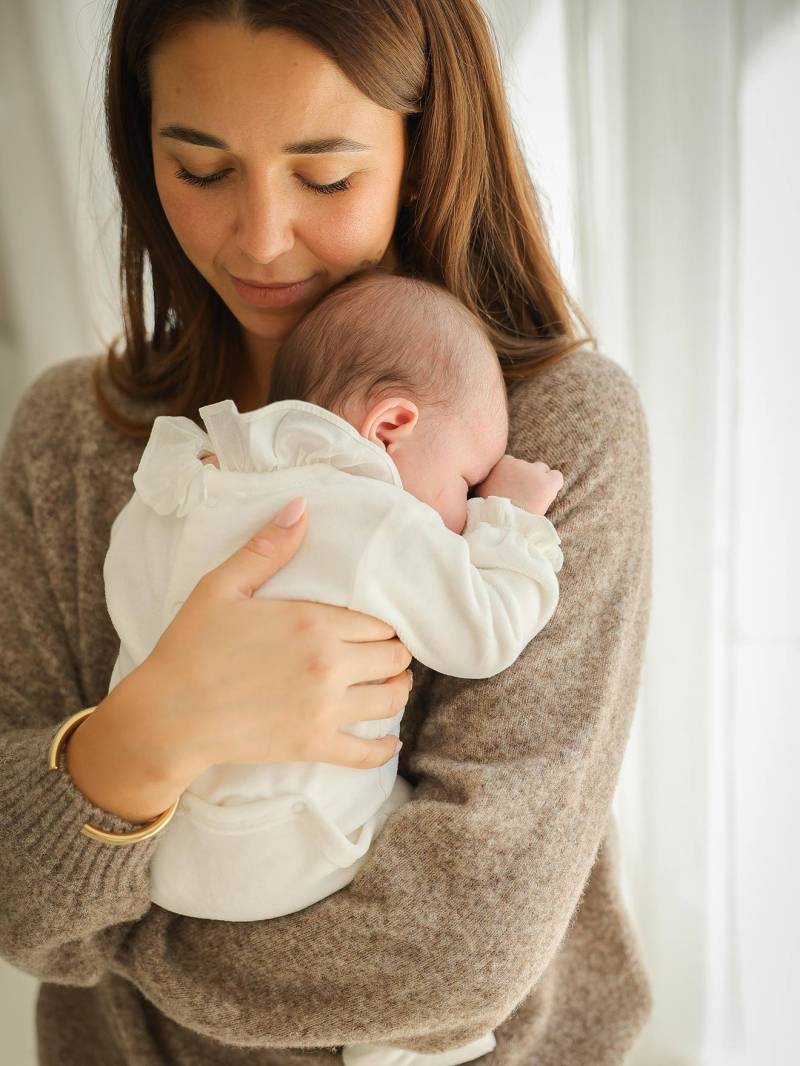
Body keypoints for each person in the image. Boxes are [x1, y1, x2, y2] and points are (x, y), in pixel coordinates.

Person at [0, 3, 653, 1065]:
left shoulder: (546, 434)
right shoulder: (72, 433)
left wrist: (126, 927)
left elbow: (458, 950)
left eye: (326, 174)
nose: (259, 236)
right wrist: (153, 727)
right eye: (200, 169)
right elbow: (18, 908)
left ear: (422, 145)